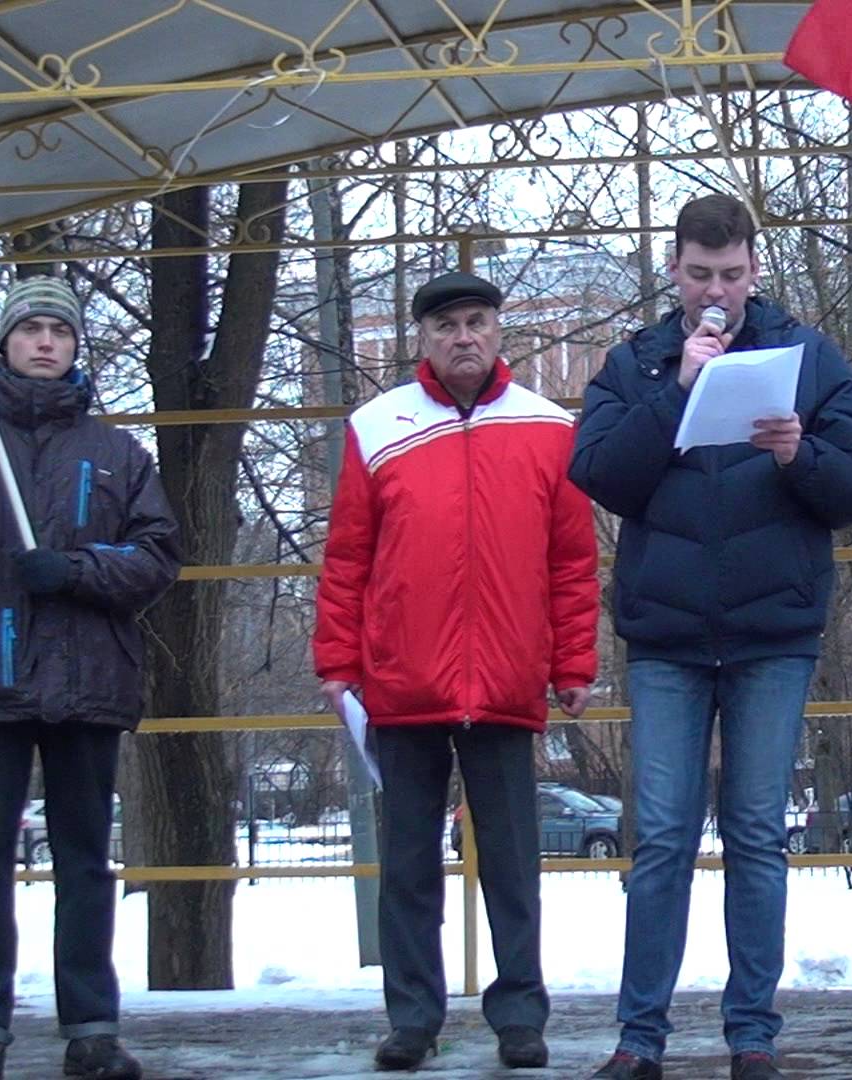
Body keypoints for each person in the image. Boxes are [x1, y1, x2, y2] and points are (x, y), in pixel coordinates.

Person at [571, 193, 852, 1080]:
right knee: (664, 839)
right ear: (673, 271)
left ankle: (752, 1033)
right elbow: (597, 472)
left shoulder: (807, 355)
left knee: (757, 833)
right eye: (699, 274)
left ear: (757, 269)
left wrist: (801, 453)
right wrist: (674, 391)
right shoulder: (638, 361)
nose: (717, 289)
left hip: (771, 633)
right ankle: (640, 1040)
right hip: (668, 637)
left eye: (733, 274)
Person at [0, 276, 179, 1080]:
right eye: (30, 329)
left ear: (77, 346)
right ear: (6, 342)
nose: (45, 342)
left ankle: (91, 1029)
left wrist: (77, 570)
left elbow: (156, 557)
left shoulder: (117, 453)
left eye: (59, 330)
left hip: (88, 687)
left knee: (86, 864)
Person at [312, 270, 599, 1072]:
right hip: (402, 683)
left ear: (500, 331)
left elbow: (571, 561)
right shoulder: (375, 426)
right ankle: (412, 1018)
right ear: (422, 339)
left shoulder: (548, 427)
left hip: (507, 683)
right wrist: (337, 661)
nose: (463, 337)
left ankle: (520, 1017)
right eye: (446, 326)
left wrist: (573, 662)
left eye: (477, 321)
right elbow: (346, 559)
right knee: (407, 868)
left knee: (514, 866)